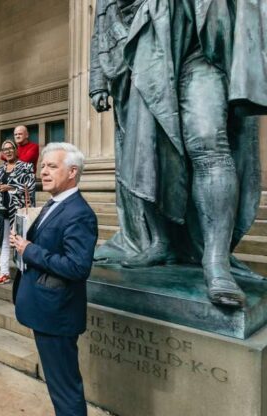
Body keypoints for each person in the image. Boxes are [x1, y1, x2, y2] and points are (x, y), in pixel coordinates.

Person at [89, 0, 266, 308]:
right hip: (145, 45)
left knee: (210, 141)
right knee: (149, 155)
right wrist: (97, 79)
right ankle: (161, 241)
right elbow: (103, 14)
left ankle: (216, 261)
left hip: (204, 42)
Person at [10, 143, 97, 416]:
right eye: (43, 166)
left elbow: (77, 267)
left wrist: (29, 249)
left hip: (57, 316)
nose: (43, 172)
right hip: (44, 310)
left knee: (65, 388)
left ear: (72, 172)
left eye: (52, 166)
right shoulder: (55, 203)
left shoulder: (79, 213)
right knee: (58, 386)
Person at [0, 140, 35, 285]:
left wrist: (10, 188)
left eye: (11, 148)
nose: (8, 151)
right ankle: (4, 273)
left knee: (20, 242)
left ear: (16, 150)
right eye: (5, 149)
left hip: (18, 212)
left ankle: (24, 273)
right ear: (2, 152)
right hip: (2, 211)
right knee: (3, 243)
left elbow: (30, 187)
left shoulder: (26, 167)